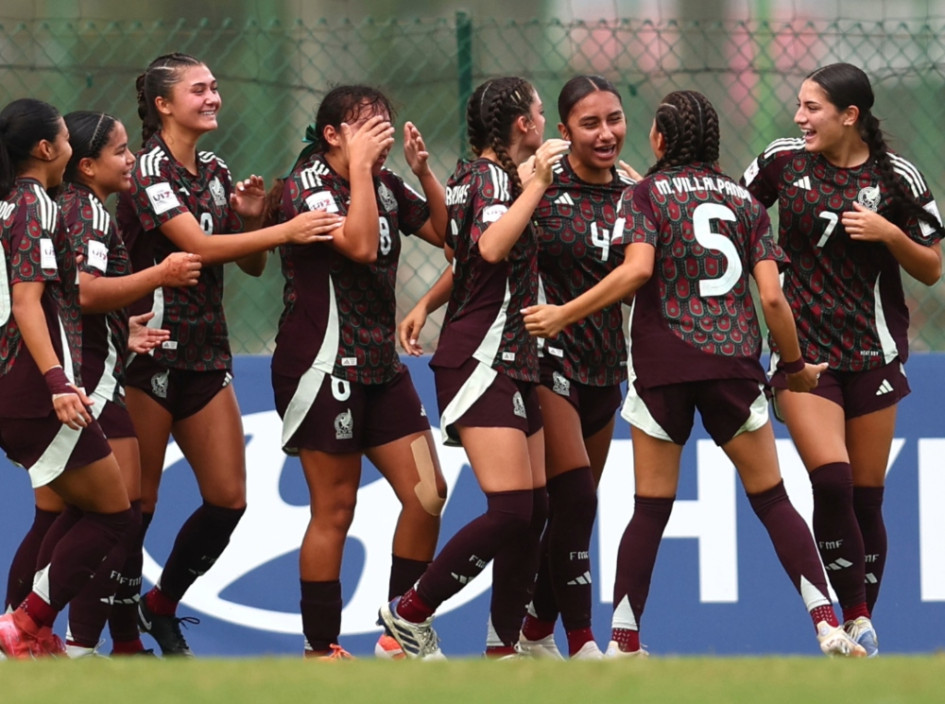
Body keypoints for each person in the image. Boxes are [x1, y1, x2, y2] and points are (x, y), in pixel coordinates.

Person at [523, 89, 866, 658]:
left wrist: (563, 313)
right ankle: (828, 624)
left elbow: (636, 272)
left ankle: (624, 643)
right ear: (714, 142)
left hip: (663, 365)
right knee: (775, 500)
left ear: (659, 138)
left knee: (650, 510)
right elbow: (774, 301)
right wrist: (794, 366)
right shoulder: (745, 203)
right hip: (733, 363)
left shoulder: (643, 194)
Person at [115, 52, 340, 656]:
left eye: (215, 87)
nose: (213, 97)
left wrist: (248, 223)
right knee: (138, 505)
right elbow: (192, 243)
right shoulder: (146, 171)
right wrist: (285, 229)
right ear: (163, 105)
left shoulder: (215, 169)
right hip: (149, 355)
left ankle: (159, 605)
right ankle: (117, 641)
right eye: (198, 90)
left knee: (228, 500)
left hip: (207, 355)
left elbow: (247, 262)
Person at [741, 62, 943, 657]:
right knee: (830, 479)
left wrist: (890, 234)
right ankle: (851, 616)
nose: (799, 118)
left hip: (875, 355)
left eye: (812, 108)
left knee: (865, 497)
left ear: (850, 116)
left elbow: (931, 268)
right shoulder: (783, 161)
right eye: (799, 106)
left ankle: (860, 632)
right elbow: (732, 215)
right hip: (805, 358)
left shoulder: (895, 175)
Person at [378, 76, 570, 659]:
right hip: (481, 358)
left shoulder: (475, 178)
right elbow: (488, 248)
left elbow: (465, 261)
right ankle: (408, 613)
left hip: (511, 357)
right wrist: (537, 184)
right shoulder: (494, 180)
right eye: (540, 112)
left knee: (533, 507)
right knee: (511, 507)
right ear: (523, 126)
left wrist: (425, 302)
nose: (544, 122)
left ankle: (503, 646)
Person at [269, 85, 448, 660]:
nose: (383, 134)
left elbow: (447, 236)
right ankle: (321, 649)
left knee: (428, 494)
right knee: (336, 508)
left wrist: (422, 174)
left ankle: (401, 635)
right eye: (367, 124)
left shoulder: (388, 183)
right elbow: (363, 245)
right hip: (322, 367)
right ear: (331, 136)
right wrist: (366, 173)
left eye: (386, 123)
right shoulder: (309, 187)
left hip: (380, 363)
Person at [0, 98, 135, 658]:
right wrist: (58, 380)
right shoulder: (35, 205)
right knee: (114, 515)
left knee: (75, 510)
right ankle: (24, 626)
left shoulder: (11, 203)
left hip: (16, 382)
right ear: (46, 150)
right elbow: (28, 302)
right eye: (64, 138)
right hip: (32, 386)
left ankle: (31, 631)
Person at [509, 75, 636, 660]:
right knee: (579, 498)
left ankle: (535, 631)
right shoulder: (542, 184)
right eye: (590, 123)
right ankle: (583, 641)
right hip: (548, 360)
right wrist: (430, 304)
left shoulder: (637, 194)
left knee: (572, 511)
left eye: (614, 119)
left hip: (609, 367)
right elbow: (490, 251)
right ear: (563, 133)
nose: (606, 133)